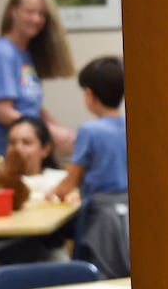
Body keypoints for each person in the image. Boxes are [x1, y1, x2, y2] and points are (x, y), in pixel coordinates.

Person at [0, 0, 77, 157]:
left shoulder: (24, 53)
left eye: (41, 14)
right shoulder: (2, 54)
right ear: (14, 11)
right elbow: (3, 113)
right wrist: (48, 130)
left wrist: (56, 128)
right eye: (30, 12)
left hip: (23, 140)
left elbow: (30, 103)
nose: (36, 19)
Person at [48, 56, 128, 203]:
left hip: (100, 208)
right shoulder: (128, 125)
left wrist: (52, 193)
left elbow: (72, 179)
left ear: (89, 94)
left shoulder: (90, 131)